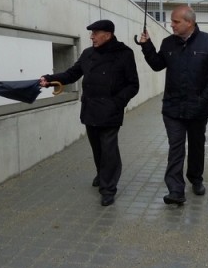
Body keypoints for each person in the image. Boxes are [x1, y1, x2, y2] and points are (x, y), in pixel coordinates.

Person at [40, 20, 139, 207]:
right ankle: (102, 174)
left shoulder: (124, 54)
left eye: (95, 33)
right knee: (97, 147)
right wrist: (50, 79)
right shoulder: (88, 54)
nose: (91, 37)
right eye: (91, 33)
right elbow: (71, 74)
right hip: (91, 108)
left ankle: (108, 188)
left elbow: (133, 84)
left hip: (111, 110)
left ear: (108, 35)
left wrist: (117, 102)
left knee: (109, 149)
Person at [138, 5, 208, 205]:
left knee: (196, 145)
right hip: (172, 107)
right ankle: (176, 190)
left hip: (198, 107)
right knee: (175, 147)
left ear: (190, 22)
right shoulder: (168, 43)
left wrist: (204, 99)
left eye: (176, 21)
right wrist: (147, 45)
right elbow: (157, 64)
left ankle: (195, 178)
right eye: (172, 21)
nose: (172, 25)